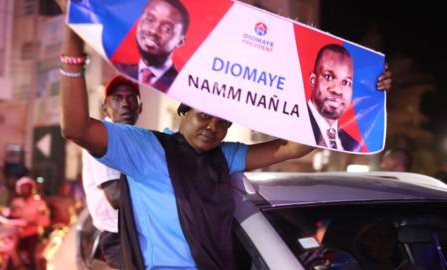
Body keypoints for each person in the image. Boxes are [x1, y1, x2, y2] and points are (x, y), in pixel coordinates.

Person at [56, 1, 392, 268]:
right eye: (204, 116)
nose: (212, 128)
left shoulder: (223, 156)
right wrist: (73, 50)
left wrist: (363, 98)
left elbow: (292, 148)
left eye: (222, 123)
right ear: (183, 111)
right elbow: (76, 128)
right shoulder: (144, 147)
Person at [81, 75, 142, 269]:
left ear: (140, 107)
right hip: (117, 238)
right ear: (104, 107)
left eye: (131, 98)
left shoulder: (134, 139)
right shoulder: (104, 136)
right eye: (117, 98)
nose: (125, 103)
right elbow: (116, 196)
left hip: (135, 233)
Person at [307, 44, 392, 152]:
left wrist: (377, 90)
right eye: (328, 77)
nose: (337, 90)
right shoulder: (292, 121)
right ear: (313, 80)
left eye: (346, 82)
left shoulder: (354, 145)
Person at [114, 0, 189, 92]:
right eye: (149, 20)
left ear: (180, 41)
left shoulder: (183, 88)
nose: (154, 31)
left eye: (167, 29)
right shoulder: (117, 69)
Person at [9, 177, 50, 269]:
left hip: (33, 234)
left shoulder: (39, 202)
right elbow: (11, 216)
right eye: (23, 187)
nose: (25, 189)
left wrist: (35, 223)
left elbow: (45, 219)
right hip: (17, 234)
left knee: (33, 257)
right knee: (11, 255)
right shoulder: (16, 202)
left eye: (28, 187)